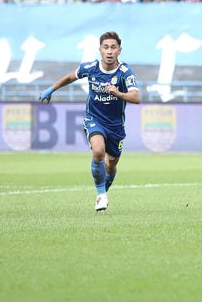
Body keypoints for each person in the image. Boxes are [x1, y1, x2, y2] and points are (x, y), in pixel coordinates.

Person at [38, 31, 140, 212]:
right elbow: (70, 77)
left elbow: (136, 97)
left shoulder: (125, 72)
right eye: (106, 47)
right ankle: (101, 194)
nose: (109, 51)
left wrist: (118, 94)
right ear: (100, 50)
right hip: (94, 119)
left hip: (116, 126)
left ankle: (103, 191)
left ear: (119, 50)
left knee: (111, 164)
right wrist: (51, 89)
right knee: (98, 151)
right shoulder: (90, 67)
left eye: (113, 47)